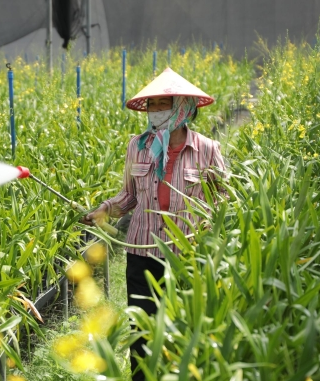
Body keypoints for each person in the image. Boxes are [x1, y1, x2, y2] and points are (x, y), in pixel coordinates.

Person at [82, 68, 227, 380]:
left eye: (163, 104)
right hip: (141, 251)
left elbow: (224, 201)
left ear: (183, 107)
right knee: (142, 329)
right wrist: (105, 211)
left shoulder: (207, 149)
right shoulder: (138, 146)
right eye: (151, 105)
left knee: (183, 327)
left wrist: (207, 229)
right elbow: (129, 195)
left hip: (187, 255)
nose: (155, 111)